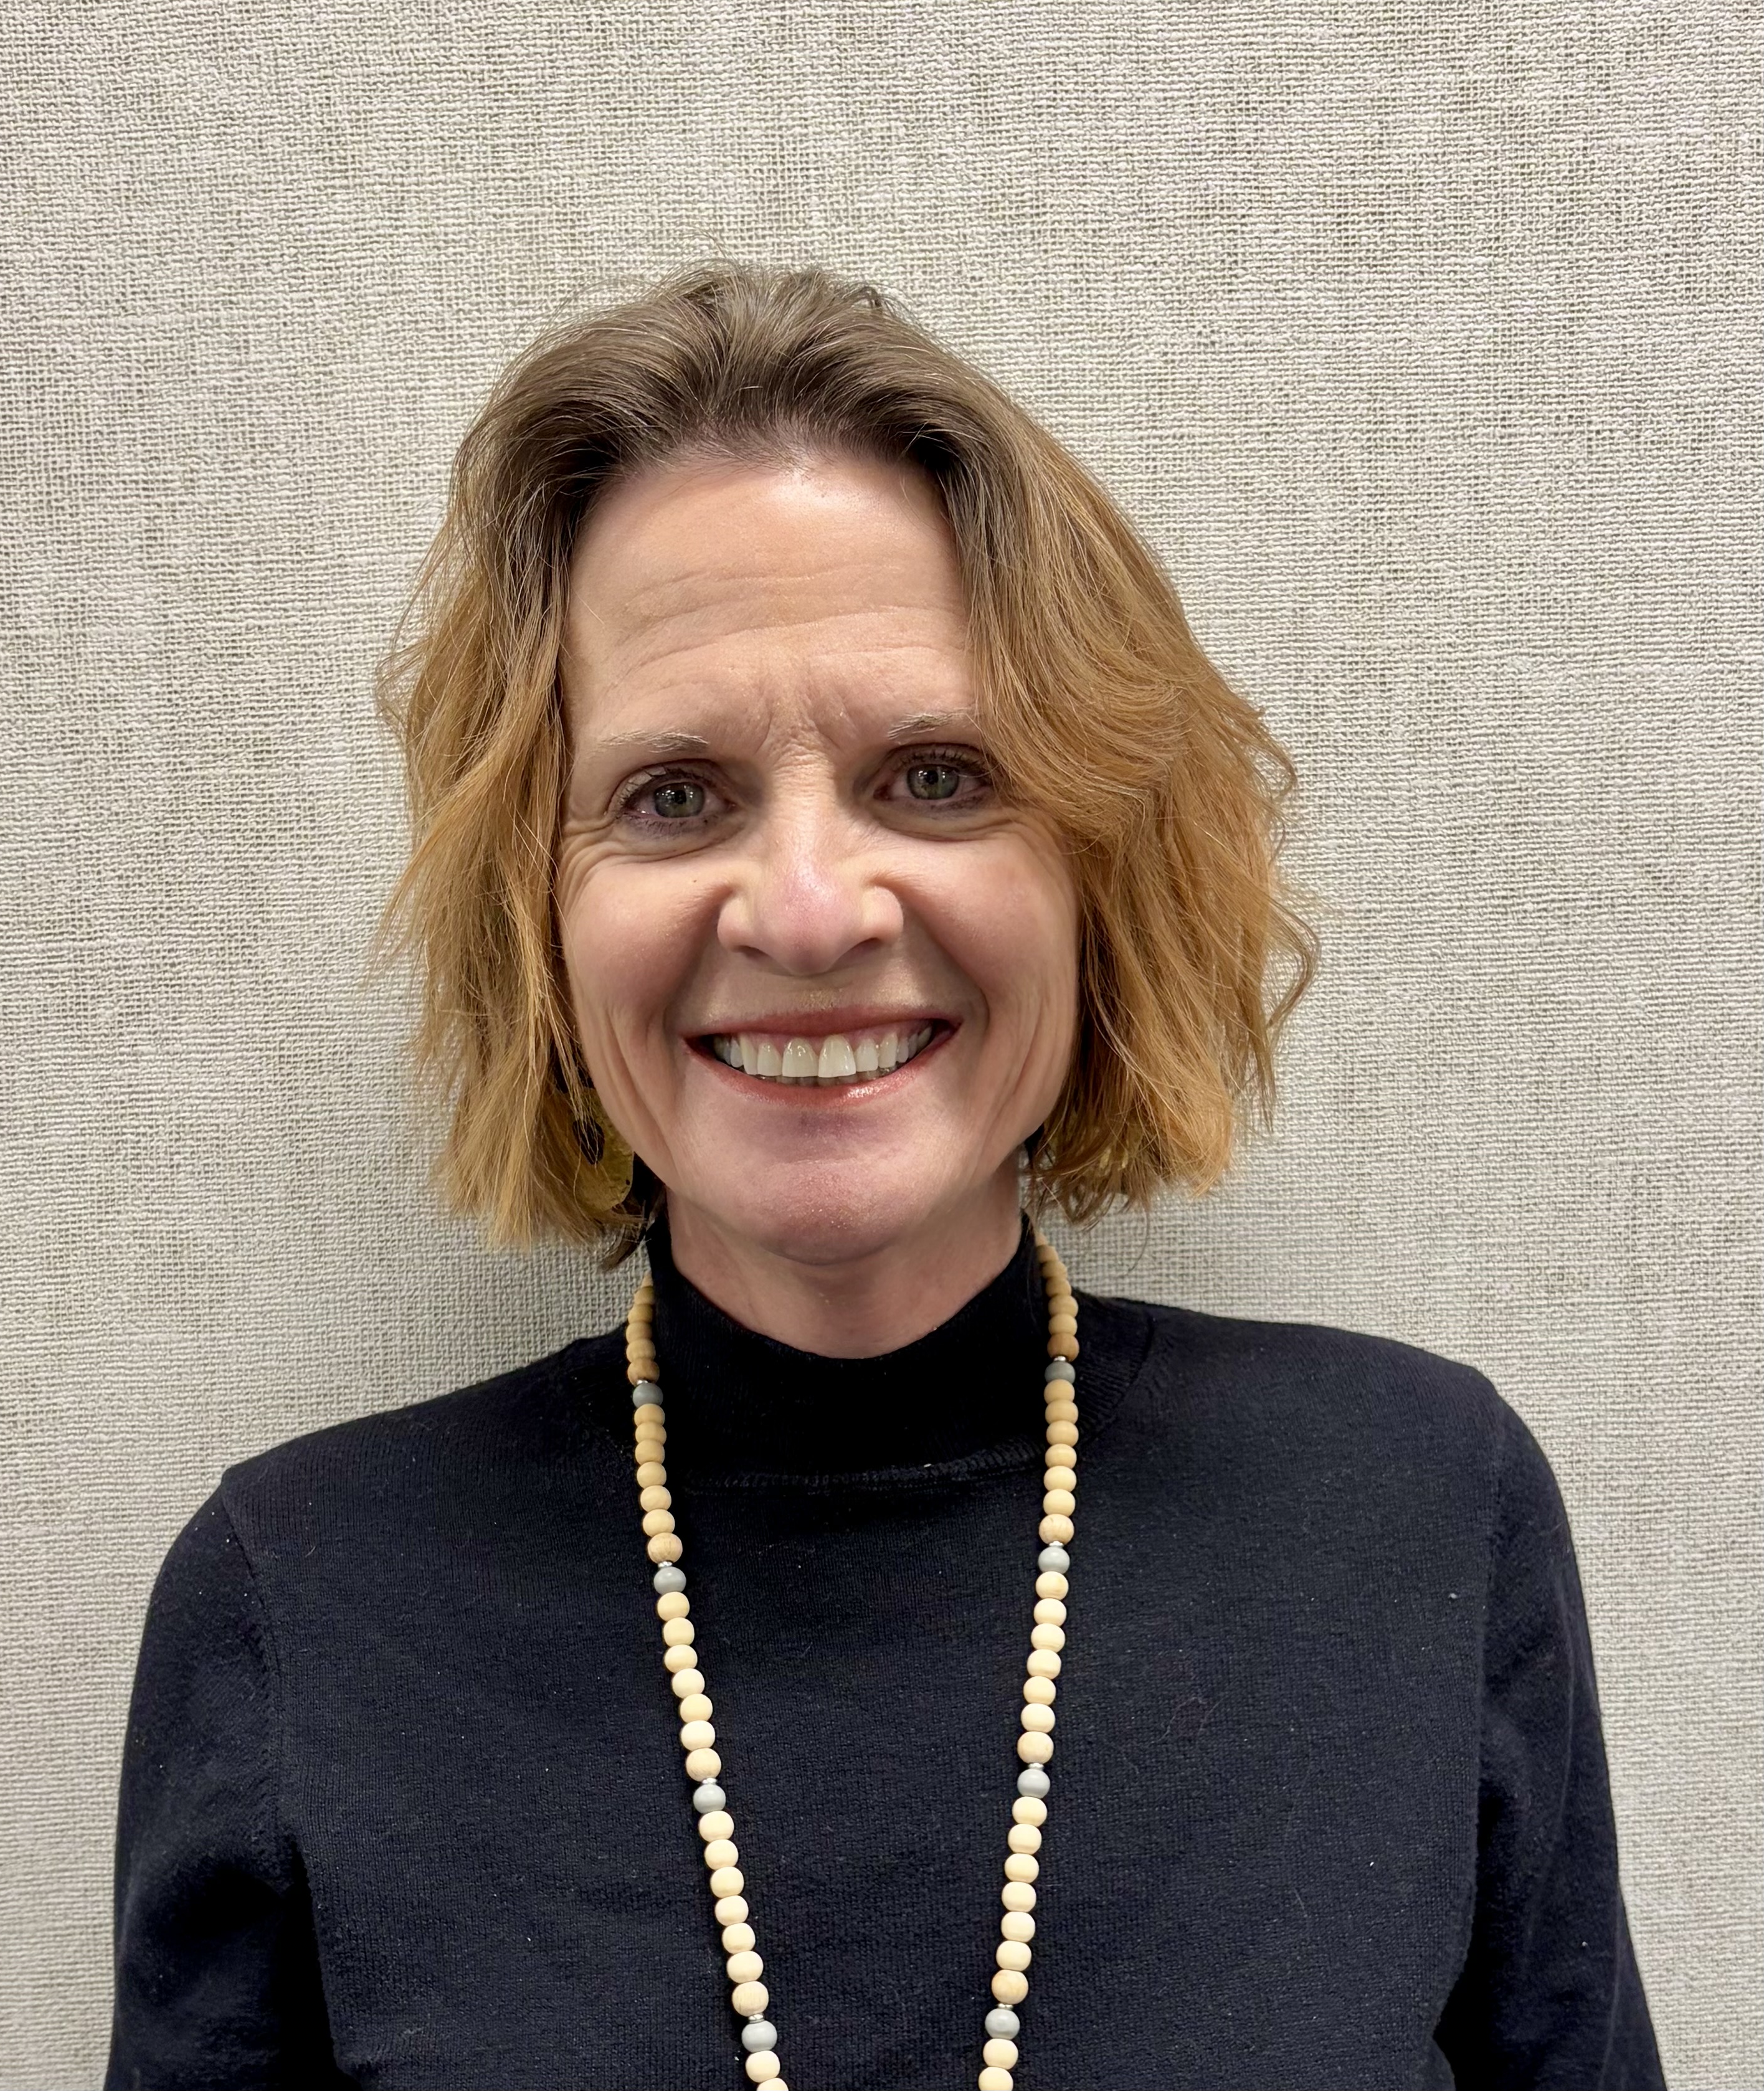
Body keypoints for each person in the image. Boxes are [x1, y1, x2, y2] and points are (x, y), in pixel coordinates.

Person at [105, 264, 1663, 2091]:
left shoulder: (1419, 1518)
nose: (809, 911)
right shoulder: (299, 1605)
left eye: (934, 776)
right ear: (539, 913)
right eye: (673, 795)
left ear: (1097, 867)